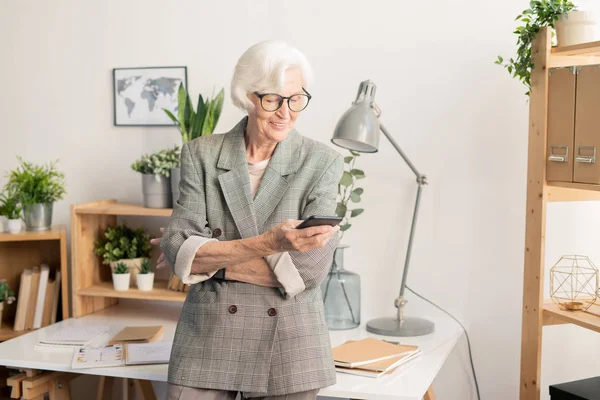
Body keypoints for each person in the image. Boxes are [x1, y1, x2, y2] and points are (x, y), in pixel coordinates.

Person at [157, 40, 343, 400]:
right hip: (208, 338)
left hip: (290, 344)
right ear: (247, 95)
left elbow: (309, 270)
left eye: (296, 99)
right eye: (272, 99)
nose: (285, 112)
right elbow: (179, 245)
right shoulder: (201, 154)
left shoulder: (322, 162)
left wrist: (212, 262)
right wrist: (271, 245)